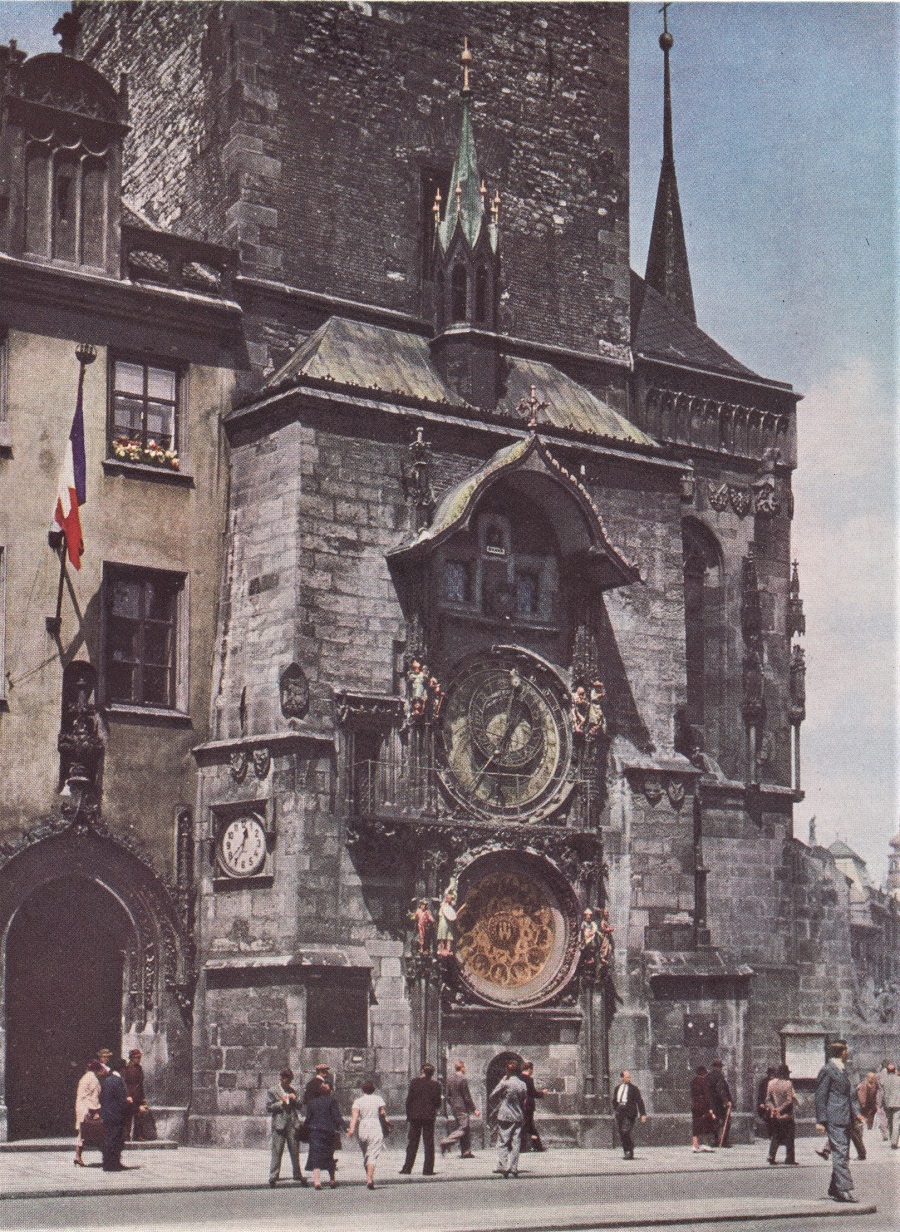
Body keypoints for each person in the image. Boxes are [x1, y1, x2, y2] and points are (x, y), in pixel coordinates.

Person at [815, 1039, 863, 1203]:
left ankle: (835, 1188)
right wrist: (821, 1120)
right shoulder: (828, 1070)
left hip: (844, 1117)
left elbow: (847, 1096)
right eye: (846, 1050)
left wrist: (855, 1114)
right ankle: (843, 1189)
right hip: (834, 1118)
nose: (848, 1052)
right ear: (841, 1052)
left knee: (842, 1153)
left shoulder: (841, 1070)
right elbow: (820, 1096)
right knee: (841, 1153)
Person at [400, 1063, 442, 1176]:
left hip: (415, 1117)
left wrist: (409, 1115)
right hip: (429, 1117)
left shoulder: (415, 1082)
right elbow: (438, 1102)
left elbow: (409, 1100)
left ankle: (407, 1168)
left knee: (412, 1143)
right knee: (429, 1143)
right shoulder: (436, 1085)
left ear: (422, 1071)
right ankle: (428, 1170)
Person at [267, 1067, 306, 1187]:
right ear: (282, 1078)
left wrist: (296, 1100)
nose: (288, 1083)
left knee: (294, 1150)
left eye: (290, 1081)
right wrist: (281, 1103)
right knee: (277, 1150)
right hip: (279, 1123)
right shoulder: (273, 1091)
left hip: (292, 1123)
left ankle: (297, 1173)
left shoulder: (293, 1090)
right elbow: (269, 1107)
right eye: (286, 1080)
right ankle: (274, 1175)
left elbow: (300, 1106)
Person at [302, 1080, 344, 1189]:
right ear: (329, 1091)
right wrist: (345, 1127)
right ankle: (332, 1180)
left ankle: (317, 1182)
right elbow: (337, 1117)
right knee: (329, 1155)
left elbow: (308, 1119)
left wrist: (303, 1130)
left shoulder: (312, 1103)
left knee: (315, 1156)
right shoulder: (332, 1101)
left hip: (315, 1131)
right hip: (329, 1131)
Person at [347, 1079, 387, 1189]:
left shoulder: (358, 1101)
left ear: (362, 1090)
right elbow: (382, 1114)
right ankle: (370, 1178)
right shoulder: (378, 1099)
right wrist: (386, 1123)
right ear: (373, 1090)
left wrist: (351, 1129)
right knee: (373, 1153)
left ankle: (368, 1176)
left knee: (366, 1153)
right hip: (375, 1125)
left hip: (363, 1126)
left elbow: (354, 1117)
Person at [491, 1059, 527, 1179]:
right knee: (516, 1143)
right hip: (518, 1116)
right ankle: (514, 1168)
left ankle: (503, 1166)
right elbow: (523, 1100)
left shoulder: (505, 1083)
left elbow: (492, 1095)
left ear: (507, 1071)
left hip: (505, 1116)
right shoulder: (522, 1084)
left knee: (503, 1141)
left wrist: (502, 1082)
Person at [440, 1061, 479, 1157]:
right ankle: (446, 1141)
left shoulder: (449, 1078)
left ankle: (466, 1152)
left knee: (464, 1127)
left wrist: (453, 1104)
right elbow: (467, 1096)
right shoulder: (463, 1079)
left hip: (454, 1107)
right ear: (462, 1067)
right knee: (463, 1128)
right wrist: (474, 1109)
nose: (465, 1069)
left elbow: (447, 1095)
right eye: (464, 1067)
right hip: (462, 1107)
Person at [98, 1056, 130, 1172]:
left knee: (110, 1139)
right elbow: (122, 1099)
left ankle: (110, 1163)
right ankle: (112, 1164)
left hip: (107, 1114)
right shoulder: (118, 1081)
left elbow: (102, 1097)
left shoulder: (107, 1080)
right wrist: (127, 1102)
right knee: (115, 1140)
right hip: (116, 1115)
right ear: (121, 1069)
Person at [764, 1064, 799, 1165]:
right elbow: (789, 1101)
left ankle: (771, 1155)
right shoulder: (788, 1084)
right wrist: (780, 1109)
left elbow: (767, 1100)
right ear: (785, 1074)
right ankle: (789, 1158)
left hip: (775, 1115)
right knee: (789, 1137)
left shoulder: (771, 1083)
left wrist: (773, 1109)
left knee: (776, 1135)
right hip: (786, 1115)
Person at [74, 1060, 104, 1166]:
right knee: (86, 1133)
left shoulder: (85, 1077)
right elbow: (94, 1097)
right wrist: (96, 1111)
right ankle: (78, 1156)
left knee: (81, 1133)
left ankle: (78, 1156)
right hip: (87, 1108)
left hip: (81, 1107)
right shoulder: (93, 1079)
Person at [612, 1070, 647, 1160]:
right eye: (627, 1077)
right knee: (621, 1132)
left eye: (629, 1077)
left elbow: (639, 1101)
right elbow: (615, 1100)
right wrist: (616, 1108)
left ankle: (629, 1151)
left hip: (629, 1112)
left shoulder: (634, 1088)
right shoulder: (617, 1088)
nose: (629, 1078)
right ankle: (626, 1151)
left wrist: (642, 1114)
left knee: (625, 1131)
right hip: (620, 1111)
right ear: (622, 1078)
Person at [520, 1062, 548, 1152]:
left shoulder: (519, 1078)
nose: (532, 1072)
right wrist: (542, 1092)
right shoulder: (529, 1079)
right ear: (529, 1069)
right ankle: (523, 1147)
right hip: (528, 1105)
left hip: (521, 1104)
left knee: (529, 1126)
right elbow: (533, 1093)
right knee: (527, 1126)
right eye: (532, 1070)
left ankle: (537, 1146)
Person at [123, 1049, 149, 1141]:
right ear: (132, 1058)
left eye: (139, 1057)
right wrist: (126, 1095)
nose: (139, 1059)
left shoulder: (139, 1068)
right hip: (130, 1095)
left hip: (138, 1095)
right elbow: (124, 1083)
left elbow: (140, 1084)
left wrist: (143, 1098)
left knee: (139, 1116)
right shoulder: (127, 1068)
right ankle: (126, 1135)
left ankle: (138, 1135)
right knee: (128, 1116)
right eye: (137, 1058)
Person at [690, 1066, 716, 1152]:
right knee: (705, 1124)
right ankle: (705, 1144)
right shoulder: (704, 1082)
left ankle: (695, 1145)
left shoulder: (693, 1081)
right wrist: (710, 1108)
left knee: (696, 1124)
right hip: (703, 1106)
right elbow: (707, 1095)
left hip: (695, 1105)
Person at [707, 1060, 733, 1147]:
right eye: (720, 1067)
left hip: (711, 1103)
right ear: (718, 1067)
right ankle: (723, 1141)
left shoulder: (708, 1076)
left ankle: (715, 1140)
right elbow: (720, 1089)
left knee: (715, 1121)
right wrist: (726, 1101)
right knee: (727, 1121)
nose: (721, 1069)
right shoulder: (719, 1076)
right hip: (719, 1104)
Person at [881, 1062, 900, 1148]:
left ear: (887, 1071)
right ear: (895, 1070)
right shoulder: (899, 1079)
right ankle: (894, 1142)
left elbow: (882, 1093)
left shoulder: (883, 1080)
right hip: (897, 1103)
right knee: (896, 1122)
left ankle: (892, 1138)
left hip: (887, 1104)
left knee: (890, 1122)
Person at [756, 1066, 777, 1138]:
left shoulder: (777, 1082)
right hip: (766, 1104)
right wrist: (761, 1103)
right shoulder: (764, 1082)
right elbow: (760, 1094)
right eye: (770, 1073)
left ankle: (775, 1134)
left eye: (773, 1073)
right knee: (768, 1118)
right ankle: (770, 1134)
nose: (771, 1075)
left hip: (776, 1104)